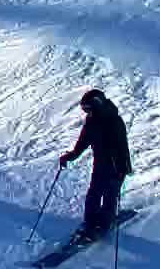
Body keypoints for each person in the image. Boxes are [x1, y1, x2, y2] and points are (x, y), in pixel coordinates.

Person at [59, 88, 132, 240]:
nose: (87, 113)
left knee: (110, 195)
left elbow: (122, 147)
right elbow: (82, 143)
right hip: (100, 165)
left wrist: (124, 168)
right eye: (85, 110)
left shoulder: (114, 121)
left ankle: (105, 224)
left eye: (88, 109)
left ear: (96, 105)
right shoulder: (92, 122)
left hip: (116, 167)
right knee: (93, 193)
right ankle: (90, 224)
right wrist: (70, 156)